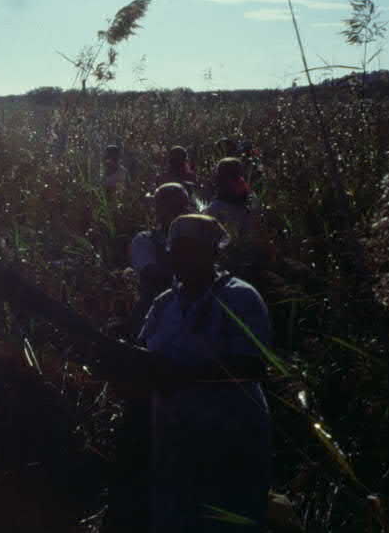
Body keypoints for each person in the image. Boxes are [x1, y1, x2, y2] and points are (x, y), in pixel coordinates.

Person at [138, 214, 271, 532]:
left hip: (230, 439)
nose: (180, 257)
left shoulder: (240, 297)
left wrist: (183, 375)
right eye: (176, 250)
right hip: (174, 442)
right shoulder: (164, 303)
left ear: (213, 252)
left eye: (190, 249)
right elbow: (144, 357)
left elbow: (251, 367)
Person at [127, 183, 193, 337]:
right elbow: (150, 274)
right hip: (153, 312)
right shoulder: (145, 240)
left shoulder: (195, 241)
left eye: (181, 209)